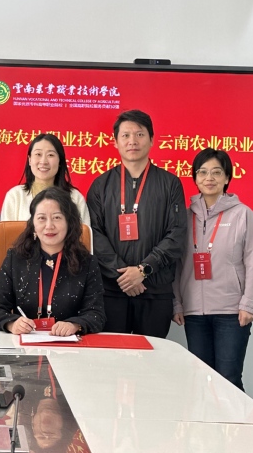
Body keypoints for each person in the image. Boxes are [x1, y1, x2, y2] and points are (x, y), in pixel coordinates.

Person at [87, 109, 187, 337]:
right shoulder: (100, 185)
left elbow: (177, 234)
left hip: (155, 290)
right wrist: (123, 275)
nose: (132, 141)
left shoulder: (170, 183)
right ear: (115, 142)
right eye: (126, 135)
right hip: (112, 290)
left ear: (151, 140)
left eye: (140, 134)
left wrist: (144, 270)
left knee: (152, 356)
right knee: (112, 355)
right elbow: (93, 234)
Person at [173, 148, 253, 390]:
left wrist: (249, 304)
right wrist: (177, 303)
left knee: (229, 380)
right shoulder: (185, 217)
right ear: (195, 178)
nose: (209, 178)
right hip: (194, 313)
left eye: (216, 172)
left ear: (227, 178)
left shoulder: (243, 214)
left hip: (231, 312)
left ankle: (236, 418)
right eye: (202, 172)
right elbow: (178, 264)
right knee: (201, 381)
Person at [0, 187, 105, 337]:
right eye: (42, 218)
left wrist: (74, 325)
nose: (49, 226)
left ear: (69, 223)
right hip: (24, 344)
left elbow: (96, 314)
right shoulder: (16, 259)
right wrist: (12, 324)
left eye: (57, 218)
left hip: (69, 345)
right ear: (33, 224)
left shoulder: (87, 263)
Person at [1, 133, 90, 225]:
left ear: (60, 161)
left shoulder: (75, 197)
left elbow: (83, 233)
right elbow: (6, 233)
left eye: (50, 155)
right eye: (38, 154)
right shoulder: (15, 196)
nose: (43, 161)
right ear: (30, 160)